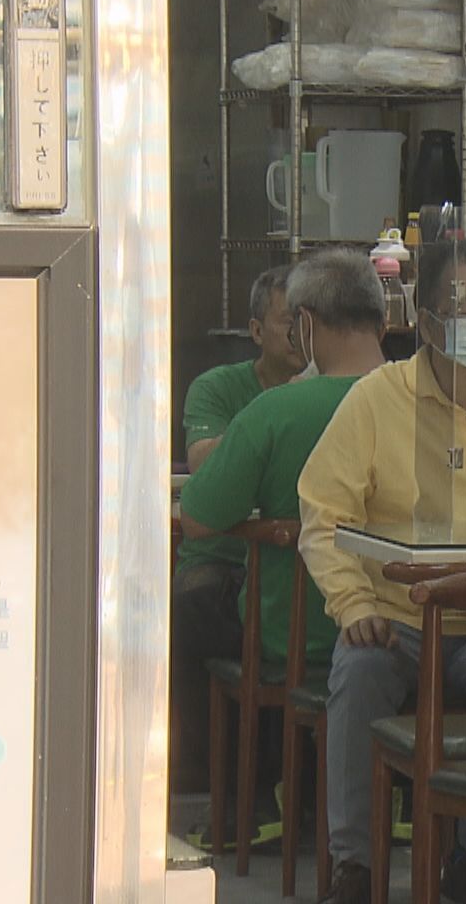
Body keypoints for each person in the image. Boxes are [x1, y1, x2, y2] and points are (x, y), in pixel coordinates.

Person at [298, 239, 466, 904]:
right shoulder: (377, 398)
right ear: (426, 324)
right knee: (358, 675)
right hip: (396, 618)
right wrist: (353, 605)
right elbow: (323, 515)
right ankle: (355, 865)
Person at [176, 250, 380, 843]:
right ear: (384, 318)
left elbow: (198, 516)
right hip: (406, 629)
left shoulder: (277, 410)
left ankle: (245, 804)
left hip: (295, 631)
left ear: (305, 326)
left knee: (196, 613)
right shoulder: (428, 402)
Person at [171, 265, 305, 794]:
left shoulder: (336, 389)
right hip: (222, 559)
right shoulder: (218, 387)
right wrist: (276, 419)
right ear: (255, 331)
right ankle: (203, 779)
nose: (300, 333)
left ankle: (284, 780)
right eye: (288, 320)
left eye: (309, 320)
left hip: (300, 561)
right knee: (185, 611)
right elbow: (203, 465)